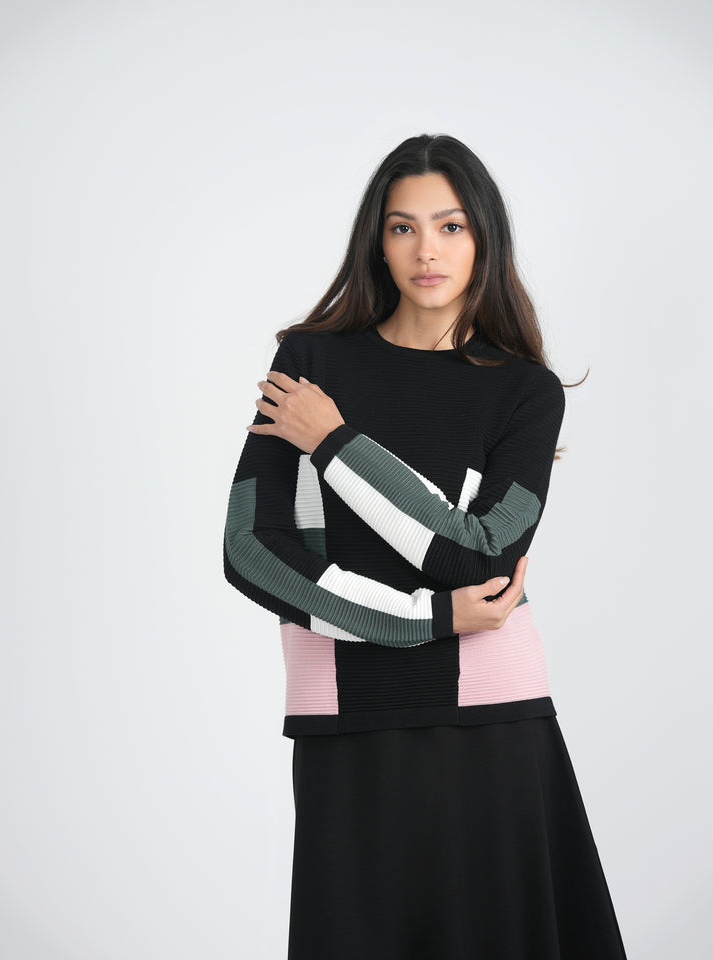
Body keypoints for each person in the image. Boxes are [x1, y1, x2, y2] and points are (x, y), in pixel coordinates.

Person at [222, 133, 629, 959]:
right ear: (377, 240)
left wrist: (334, 442)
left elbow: (482, 559)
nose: (426, 250)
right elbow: (251, 551)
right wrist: (431, 617)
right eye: (403, 227)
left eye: (450, 226)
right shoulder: (308, 362)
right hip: (345, 716)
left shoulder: (524, 390)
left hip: (491, 720)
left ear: (483, 237)